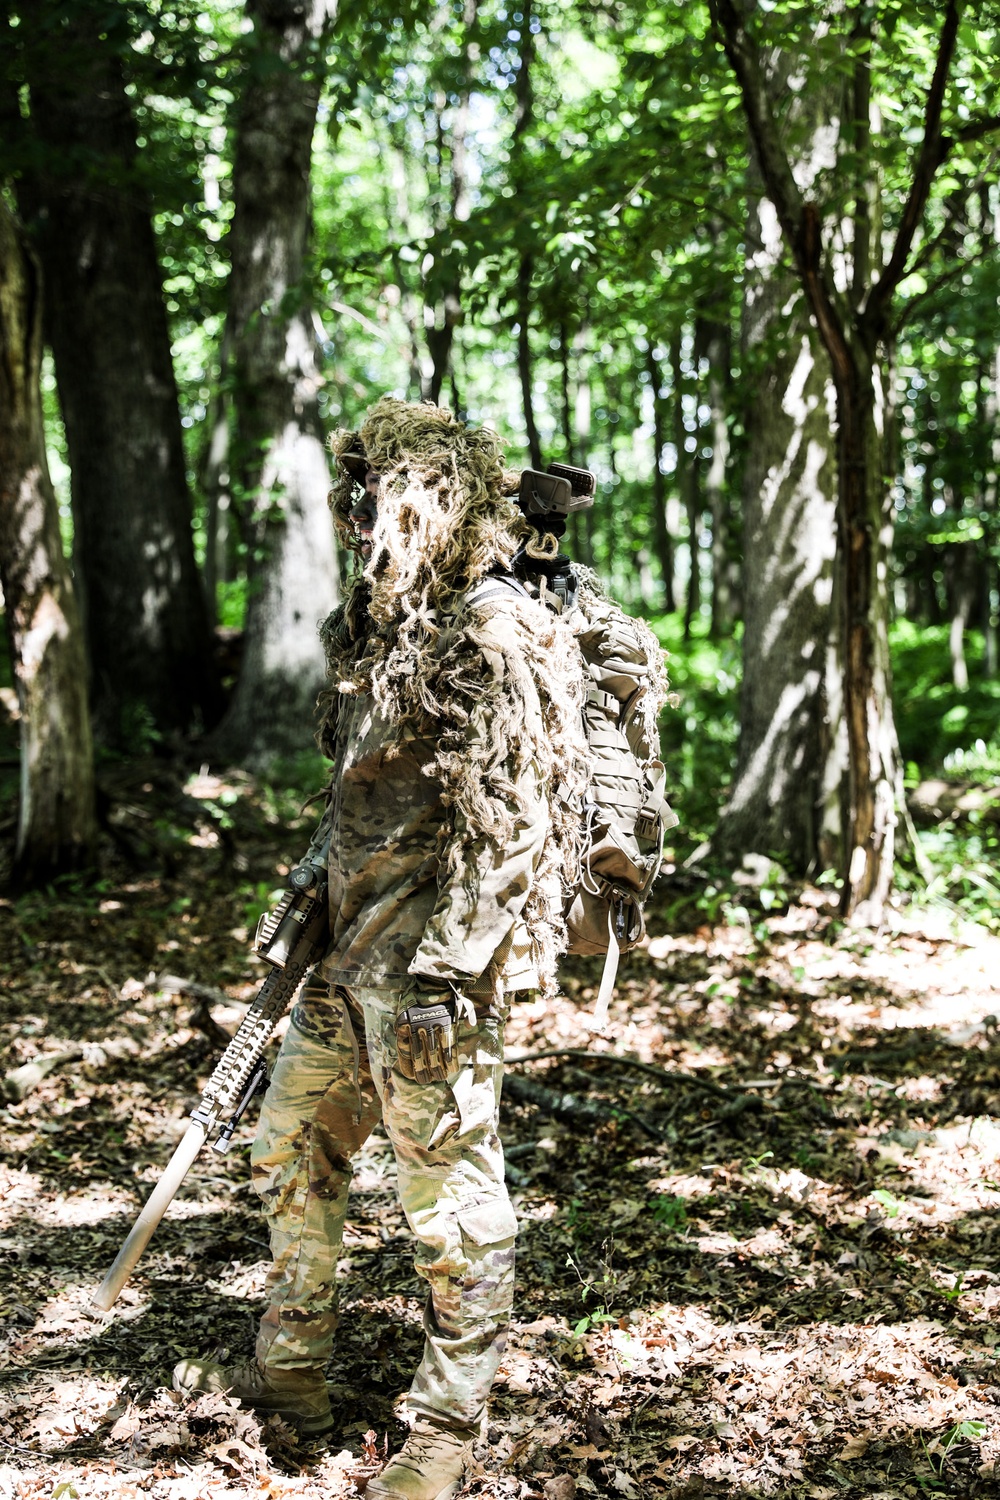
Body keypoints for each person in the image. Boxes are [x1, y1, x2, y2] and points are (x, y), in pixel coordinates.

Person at [174, 398, 589, 1500]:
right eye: (350, 495)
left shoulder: (496, 629)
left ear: (438, 498)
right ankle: (292, 1377)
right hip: (341, 968)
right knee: (289, 1143)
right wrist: (311, 889)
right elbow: (353, 796)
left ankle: (445, 1432)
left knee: (450, 1208)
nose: (359, 516)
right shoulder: (383, 628)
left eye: (379, 493)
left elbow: (521, 826)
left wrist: (451, 973)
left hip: (427, 986)